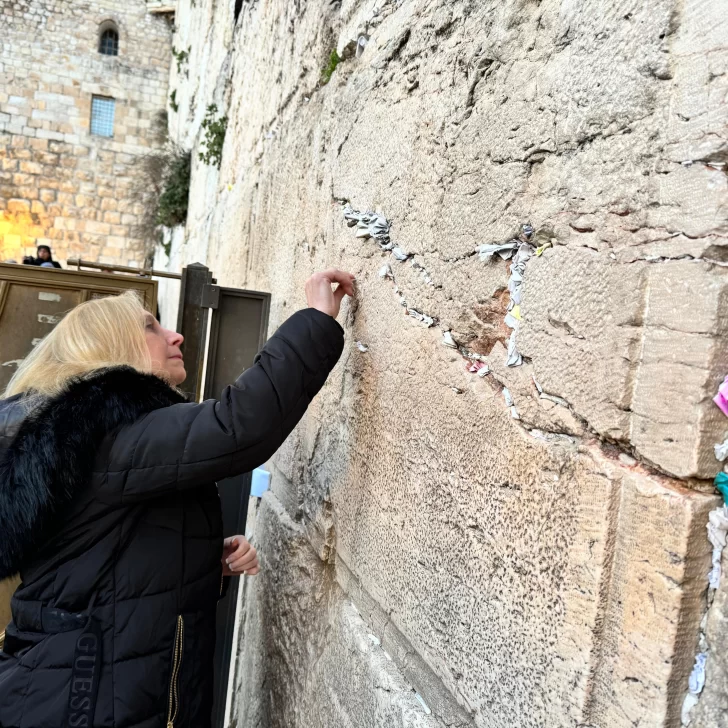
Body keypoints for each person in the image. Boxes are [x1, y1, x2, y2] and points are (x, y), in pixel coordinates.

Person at [0, 269, 354, 728]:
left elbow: (103, 570)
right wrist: (314, 320)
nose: (175, 335)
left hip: (80, 690)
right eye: (150, 326)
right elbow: (237, 426)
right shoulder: (104, 436)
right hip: (83, 703)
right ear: (109, 348)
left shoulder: (84, 443)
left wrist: (205, 562)